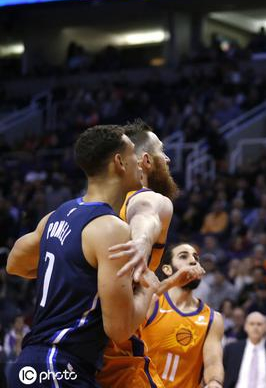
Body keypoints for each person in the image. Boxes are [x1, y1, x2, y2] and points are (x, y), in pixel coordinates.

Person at [5, 125, 152, 386]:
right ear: (119, 162)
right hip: (59, 365)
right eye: (133, 153)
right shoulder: (111, 228)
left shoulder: (56, 215)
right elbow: (119, 329)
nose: (140, 161)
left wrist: (71, 267)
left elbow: (14, 263)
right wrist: (148, 289)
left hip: (37, 364)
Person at [97, 119, 181, 388]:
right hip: (118, 359)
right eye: (161, 151)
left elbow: (17, 264)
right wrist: (142, 242)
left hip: (76, 353)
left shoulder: (88, 211)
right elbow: (146, 214)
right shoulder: (147, 197)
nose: (167, 158)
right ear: (145, 161)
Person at [142, 242, 225, 388]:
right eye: (183, 256)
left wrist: (214, 382)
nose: (193, 261)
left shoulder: (212, 319)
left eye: (196, 258)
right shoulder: (152, 303)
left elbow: (213, 363)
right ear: (167, 269)